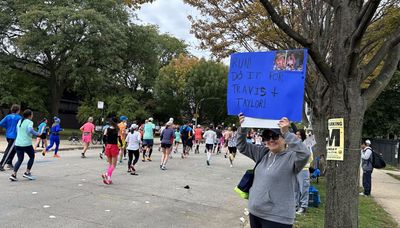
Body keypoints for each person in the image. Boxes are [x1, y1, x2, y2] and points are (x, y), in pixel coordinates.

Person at [237, 115, 310, 228]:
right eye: (266, 137)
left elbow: (305, 153)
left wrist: (286, 132)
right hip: (255, 212)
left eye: (275, 136)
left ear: (284, 138)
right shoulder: (262, 152)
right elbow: (242, 146)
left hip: (278, 218)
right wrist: (243, 127)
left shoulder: (292, 157)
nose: (270, 140)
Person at [9, 110, 40, 181]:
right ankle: (27, 172)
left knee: (20, 159)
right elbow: (30, 130)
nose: (32, 116)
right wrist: (38, 134)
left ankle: (13, 174)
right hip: (26, 144)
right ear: (29, 115)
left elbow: (17, 131)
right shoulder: (30, 122)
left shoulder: (20, 121)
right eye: (32, 114)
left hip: (18, 143)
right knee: (32, 156)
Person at [293, 129, 313, 214]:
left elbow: (310, 157)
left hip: (303, 170)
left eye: (299, 135)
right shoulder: (295, 145)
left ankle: (303, 206)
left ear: (302, 136)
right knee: (295, 189)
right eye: (296, 134)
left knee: (303, 188)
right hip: (295, 169)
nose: (297, 136)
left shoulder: (306, 145)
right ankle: (295, 205)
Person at [0, 104, 22, 171]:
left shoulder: (8, 116)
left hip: (8, 135)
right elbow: (21, 126)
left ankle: (9, 162)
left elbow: (0, 123)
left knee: (14, 149)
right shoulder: (19, 118)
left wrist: (7, 127)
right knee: (9, 150)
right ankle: (1, 164)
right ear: (18, 110)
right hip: (14, 136)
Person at [102, 117, 120, 185]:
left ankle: (109, 179)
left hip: (108, 146)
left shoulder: (107, 129)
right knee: (114, 165)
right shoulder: (117, 129)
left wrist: (106, 145)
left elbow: (104, 139)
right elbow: (119, 139)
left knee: (110, 164)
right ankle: (106, 174)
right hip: (114, 146)